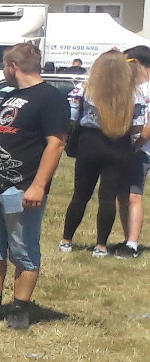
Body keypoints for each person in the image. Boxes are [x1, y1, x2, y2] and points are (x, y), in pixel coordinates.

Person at [0, 42, 70, 331]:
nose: (4, 71)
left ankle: (20, 307)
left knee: (23, 249)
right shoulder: (10, 97)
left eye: (4, 66)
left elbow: (56, 144)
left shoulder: (51, 98)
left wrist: (38, 186)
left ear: (13, 66)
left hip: (21, 187)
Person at [58, 51, 148, 258]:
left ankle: (67, 240)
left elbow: (71, 117)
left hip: (89, 142)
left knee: (81, 194)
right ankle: (101, 246)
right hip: (119, 144)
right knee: (107, 197)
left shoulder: (85, 88)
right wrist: (133, 145)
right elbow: (137, 127)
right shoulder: (135, 94)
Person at [123, 46, 150, 254]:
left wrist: (137, 144)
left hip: (142, 149)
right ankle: (127, 240)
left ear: (136, 62)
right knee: (125, 194)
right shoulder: (134, 88)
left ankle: (132, 244)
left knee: (134, 195)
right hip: (135, 147)